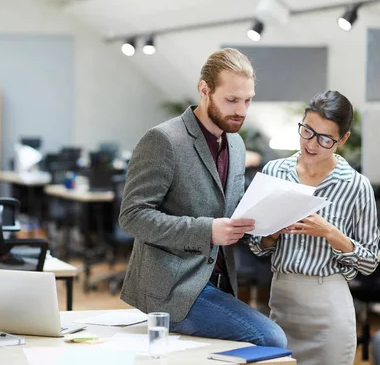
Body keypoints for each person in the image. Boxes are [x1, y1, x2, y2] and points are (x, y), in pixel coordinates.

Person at [119, 48, 287, 346]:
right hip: (175, 286)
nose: (242, 111)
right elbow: (133, 216)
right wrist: (206, 231)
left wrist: (268, 230)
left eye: (248, 100)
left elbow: (232, 213)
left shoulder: (235, 145)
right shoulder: (164, 140)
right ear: (204, 90)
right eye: (231, 100)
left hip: (219, 282)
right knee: (271, 338)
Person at [249, 90, 379, 365]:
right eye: (307, 131)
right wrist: (272, 233)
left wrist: (330, 233)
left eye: (325, 138)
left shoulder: (355, 185)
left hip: (329, 310)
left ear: (342, 139)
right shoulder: (275, 171)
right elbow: (255, 245)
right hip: (281, 302)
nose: (311, 143)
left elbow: (370, 263)